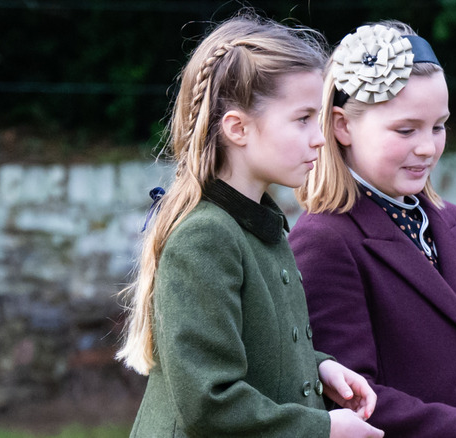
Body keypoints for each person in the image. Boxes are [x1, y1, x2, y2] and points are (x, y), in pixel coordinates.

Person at [289, 21, 456, 438]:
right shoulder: (325, 239)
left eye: (438, 126)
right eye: (406, 129)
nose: (427, 147)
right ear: (343, 126)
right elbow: (357, 401)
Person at [116, 14, 384, 438]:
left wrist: (321, 367)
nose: (319, 138)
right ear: (238, 128)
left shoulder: (260, 224)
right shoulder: (206, 237)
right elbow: (210, 402)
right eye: (302, 119)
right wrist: (324, 429)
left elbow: (260, 348)